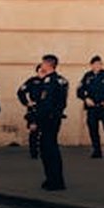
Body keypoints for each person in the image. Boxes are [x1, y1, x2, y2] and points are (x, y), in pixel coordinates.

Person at [31, 54, 71, 191]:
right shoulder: (58, 80)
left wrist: (37, 120)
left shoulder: (51, 82)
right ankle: (51, 178)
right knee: (47, 149)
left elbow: (46, 104)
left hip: (49, 119)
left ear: (48, 65)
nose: (41, 66)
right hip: (51, 118)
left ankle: (55, 180)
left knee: (49, 150)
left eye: (43, 63)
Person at [17, 64, 47, 161]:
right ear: (37, 72)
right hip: (34, 109)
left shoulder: (50, 81)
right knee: (34, 130)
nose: (42, 73)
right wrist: (26, 102)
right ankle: (33, 152)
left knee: (46, 131)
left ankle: (45, 151)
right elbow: (20, 92)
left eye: (44, 71)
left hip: (46, 109)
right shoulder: (32, 81)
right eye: (41, 71)